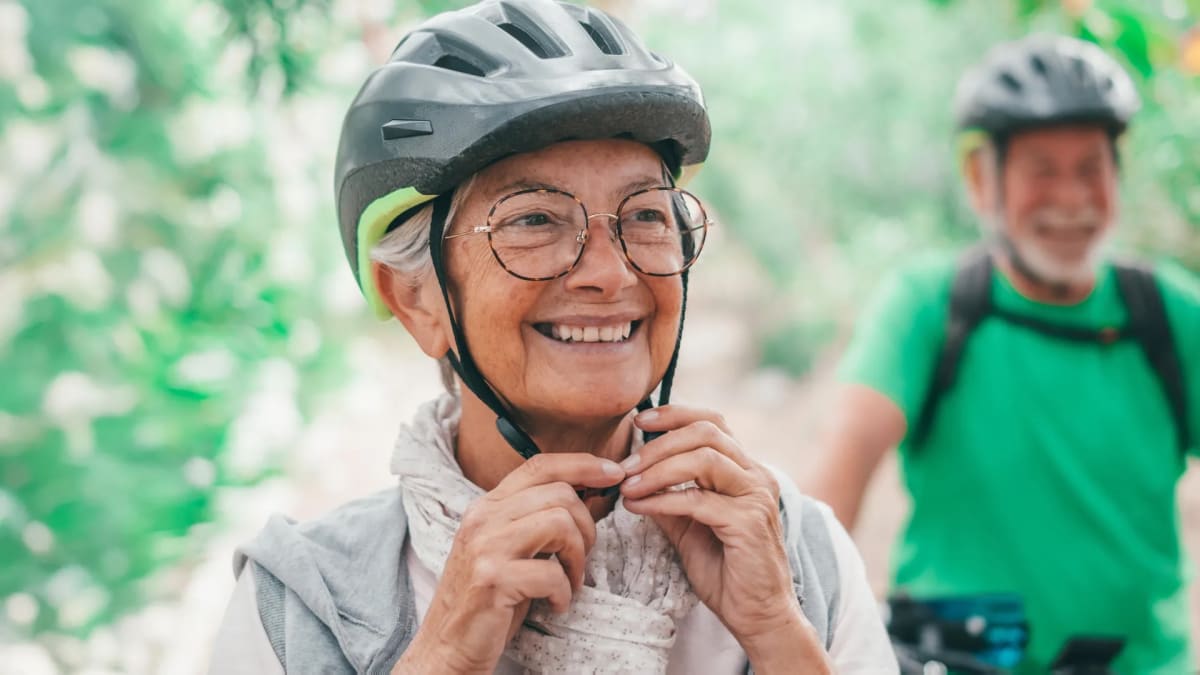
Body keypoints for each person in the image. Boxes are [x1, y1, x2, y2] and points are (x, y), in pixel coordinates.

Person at [208, 1, 896, 672]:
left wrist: (776, 630)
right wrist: (445, 653)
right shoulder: (302, 605)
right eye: (534, 219)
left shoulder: (797, 556)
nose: (610, 272)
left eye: (646, 215)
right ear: (415, 298)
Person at [807, 33, 1200, 673]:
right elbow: (834, 489)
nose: (1071, 199)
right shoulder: (930, 305)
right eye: (1042, 170)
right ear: (980, 180)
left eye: (1091, 169)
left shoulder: (1169, 315)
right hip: (955, 661)